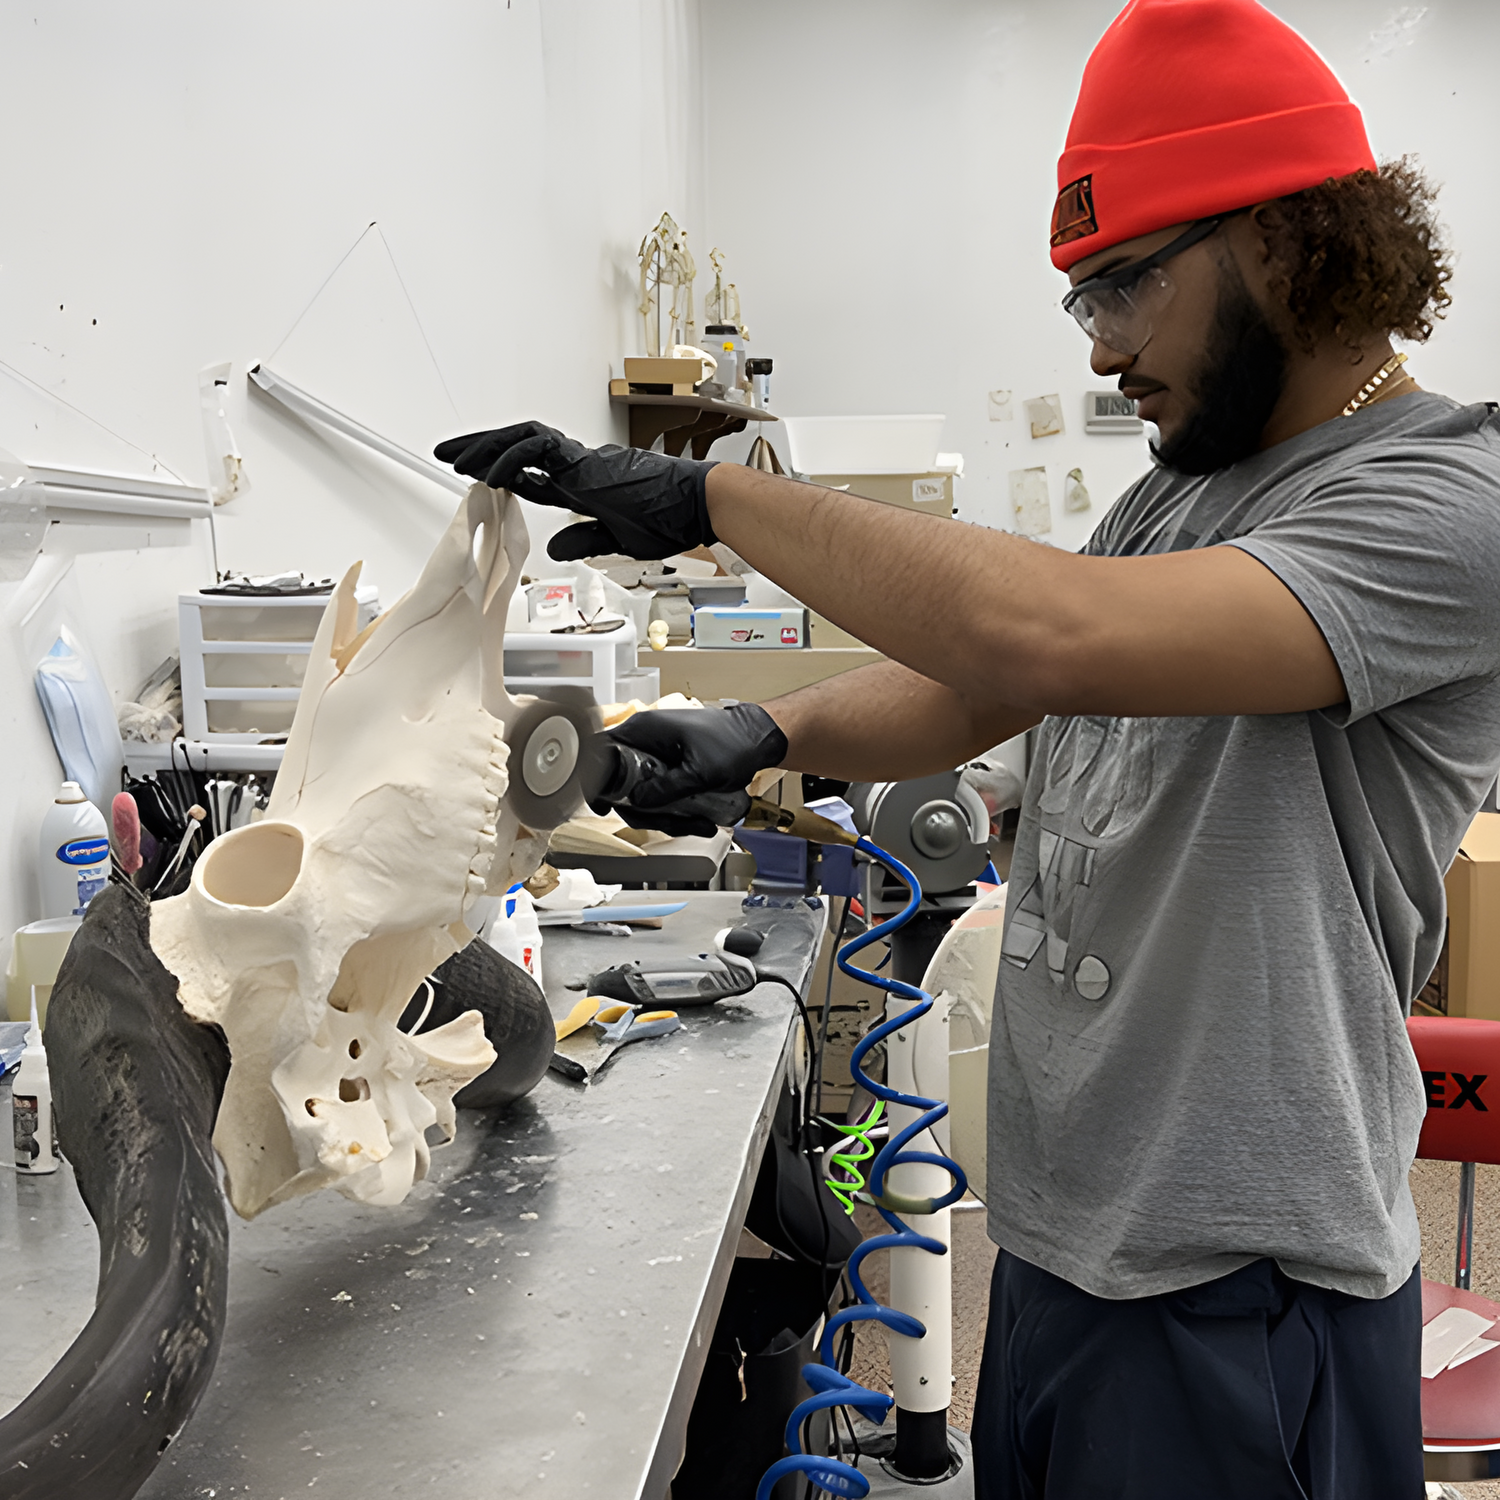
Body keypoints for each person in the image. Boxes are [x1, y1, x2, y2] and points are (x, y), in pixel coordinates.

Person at [436, 3, 1500, 1492]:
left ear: (1284, 240)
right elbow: (980, 692)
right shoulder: (1183, 490)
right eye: (1084, 307)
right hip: (1071, 1250)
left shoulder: (1448, 498)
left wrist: (726, 496)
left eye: (1125, 290)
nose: (1109, 352)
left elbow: (1041, 636)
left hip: (1243, 1287)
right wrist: (758, 733)